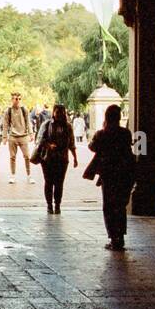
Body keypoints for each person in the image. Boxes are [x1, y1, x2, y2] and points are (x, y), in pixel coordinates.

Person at [84, 105, 136, 250]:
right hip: (125, 172)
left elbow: (92, 147)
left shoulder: (102, 134)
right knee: (120, 206)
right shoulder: (126, 133)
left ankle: (113, 237)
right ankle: (120, 237)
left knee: (109, 206)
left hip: (109, 173)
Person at [35, 103, 79, 213]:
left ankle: (58, 204)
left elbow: (72, 143)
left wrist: (75, 157)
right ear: (53, 113)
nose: (60, 114)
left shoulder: (68, 126)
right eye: (57, 112)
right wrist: (49, 145)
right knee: (49, 182)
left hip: (62, 158)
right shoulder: (47, 124)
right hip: (48, 158)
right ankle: (49, 205)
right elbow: (39, 140)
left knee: (59, 183)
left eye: (62, 112)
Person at [2, 92, 34, 184]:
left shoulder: (24, 109)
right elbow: (5, 124)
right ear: (12, 99)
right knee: (12, 157)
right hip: (13, 137)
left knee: (27, 156)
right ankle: (12, 176)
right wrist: (4, 137)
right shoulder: (8, 110)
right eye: (16, 99)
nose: (18, 100)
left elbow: (28, 122)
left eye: (19, 99)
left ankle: (29, 176)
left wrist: (31, 133)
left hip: (23, 136)